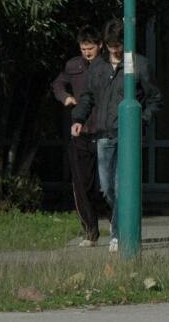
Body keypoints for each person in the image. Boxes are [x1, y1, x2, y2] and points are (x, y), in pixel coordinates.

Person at [71, 18, 161, 253]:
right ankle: (119, 223)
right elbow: (89, 96)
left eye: (118, 44)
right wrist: (78, 119)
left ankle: (119, 234)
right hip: (104, 134)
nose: (114, 49)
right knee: (107, 188)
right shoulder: (98, 67)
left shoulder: (139, 65)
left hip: (129, 136)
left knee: (122, 187)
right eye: (111, 44)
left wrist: (142, 120)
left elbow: (154, 99)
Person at [51, 26, 106, 247]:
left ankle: (116, 224)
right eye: (83, 48)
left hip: (104, 131)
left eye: (91, 48)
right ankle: (90, 231)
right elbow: (57, 83)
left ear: (100, 46)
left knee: (106, 184)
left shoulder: (108, 66)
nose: (87, 52)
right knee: (82, 184)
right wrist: (65, 97)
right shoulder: (73, 66)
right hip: (80, 133)